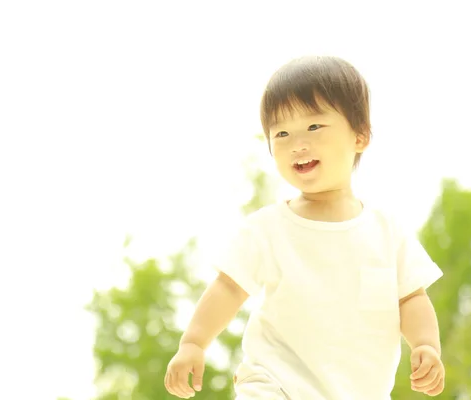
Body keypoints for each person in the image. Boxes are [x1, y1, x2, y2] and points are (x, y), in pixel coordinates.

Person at [164, 55, 445, 399]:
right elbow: (228, 288)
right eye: (281, 132)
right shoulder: (267, 229)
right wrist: (193, 343)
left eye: (314, 127)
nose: (297, 144)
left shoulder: (387, 233)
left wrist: (426, 345)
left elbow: (412, 297)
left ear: (360, 136)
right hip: (273, 383)